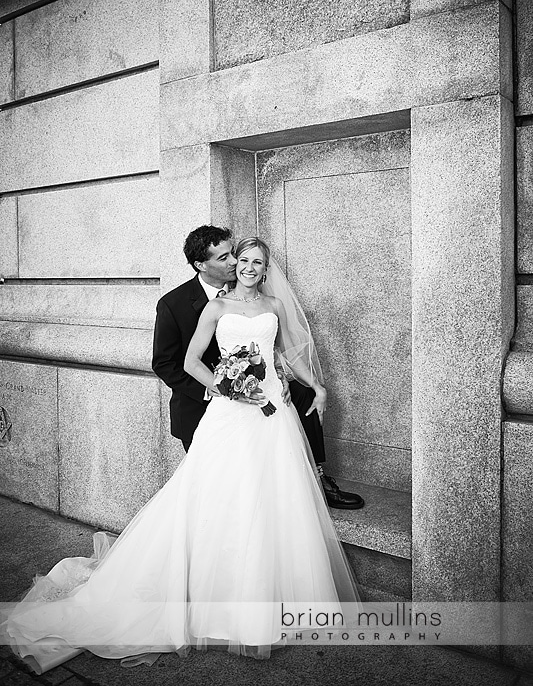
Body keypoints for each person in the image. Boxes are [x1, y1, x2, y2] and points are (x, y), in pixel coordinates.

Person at [1, 237, 361, 672]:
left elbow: (285, 353)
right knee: (215, 496)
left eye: (255, 261)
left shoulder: (275, 307)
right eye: (241, 259)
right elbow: (190, 361)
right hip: (230, 412)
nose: (246, 266)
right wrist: (225, 386)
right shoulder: (215, 308)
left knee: (274, 496)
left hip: (272, 414)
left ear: (266, 269)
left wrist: (316, 386)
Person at [152, 225, 363, 509]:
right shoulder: (175, 304)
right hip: (201, 398)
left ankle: (316, 475)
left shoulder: (269, 302)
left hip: (263, 387)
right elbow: (168, 363)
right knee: (222, 489)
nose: (234, 263)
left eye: (235, 256)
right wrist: (223, 388)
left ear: (265, 270)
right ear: (202, 265)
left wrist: (288, 375)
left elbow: (276, 345)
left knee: (300, 395)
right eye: (227, 258)